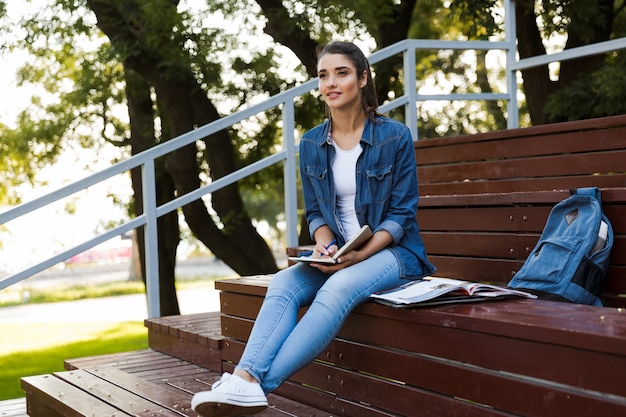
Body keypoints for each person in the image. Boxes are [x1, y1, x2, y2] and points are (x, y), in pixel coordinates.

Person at [191, 40, 436, 417]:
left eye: (342, 73)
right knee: (284, 283)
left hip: (393, 254)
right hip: (340, 253)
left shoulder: (394, 138)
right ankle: (243, 377)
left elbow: (401, 216)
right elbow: (317, 214)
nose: (330, 83)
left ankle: (256, 385)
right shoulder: (311, 142)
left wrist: (358, 254)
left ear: (363, 78)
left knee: (337, 285)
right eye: (323, 75)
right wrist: (325, 246)